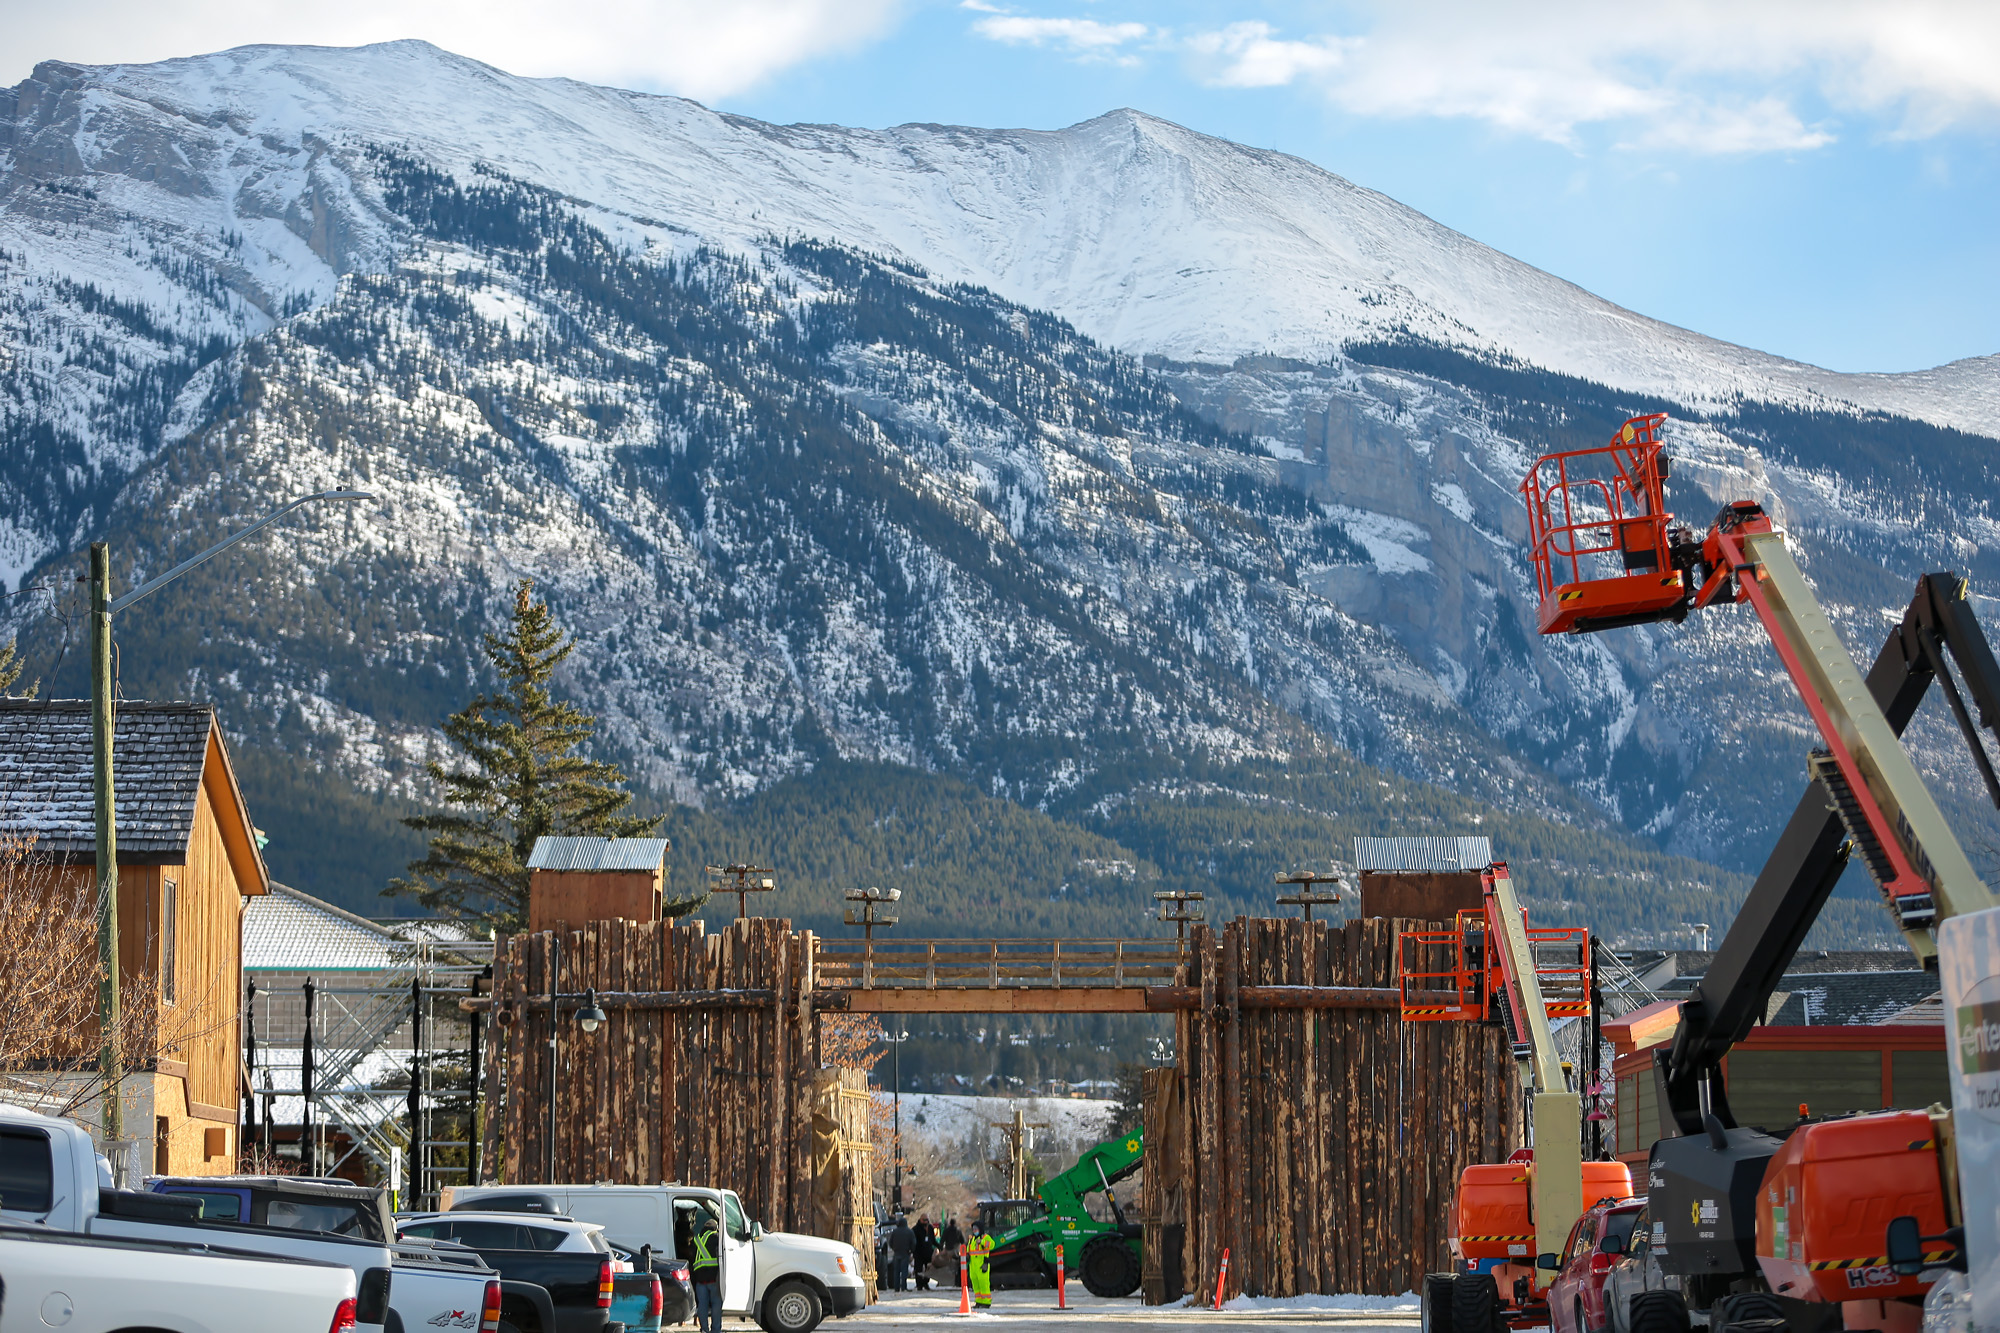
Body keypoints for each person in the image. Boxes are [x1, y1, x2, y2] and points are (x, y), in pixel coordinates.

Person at [689, 1203, 722, 1333]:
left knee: (702, 1306)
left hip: (700, 1281)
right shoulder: (716, 1237)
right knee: (716, 1306)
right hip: (714, 1279)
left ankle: (704, 1329)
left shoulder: (696, 1240)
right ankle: (716, 1330)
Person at [968, 1224, 994, 1310]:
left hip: (982, 1265)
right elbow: (969, 1250)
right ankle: (978, 1301)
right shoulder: (972, 1239)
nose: (974, 1230)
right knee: (976, 1285)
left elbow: (992, 1244)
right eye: (973, 1229)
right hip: (973, 1266)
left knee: (984, 1284)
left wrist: (982, 1242)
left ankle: (986, 1302)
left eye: (976, 1228)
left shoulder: (985, 1237)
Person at [887, 1213, 914, 1293]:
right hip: (905, 1253)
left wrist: (894, 1248)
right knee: (904, 1271)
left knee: (896, 1271)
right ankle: (903, 1287)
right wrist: (911, 1251)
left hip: (897, 1253)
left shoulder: (895, 1232)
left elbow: (890, 1242)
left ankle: (896, 1287)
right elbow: (913, 1243)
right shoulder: (909, 1232)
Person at [912, 1215, 937, 1291]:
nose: (926, 1222)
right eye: (924, 1220)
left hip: (928, 1252)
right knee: (918, 1269)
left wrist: (939, 1246)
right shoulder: (915, 1229)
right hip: (918, 1253)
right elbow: (913, 1242)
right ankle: (919, 1285)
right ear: (921, 1220)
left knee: (928, 1269)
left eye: (927, 1220)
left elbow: (933, 1240)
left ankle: (926, 1283)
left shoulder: (930, 1228)